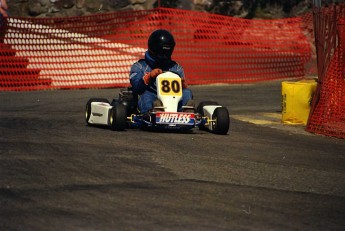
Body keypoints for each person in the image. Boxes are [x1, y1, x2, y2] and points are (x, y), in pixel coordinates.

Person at [129, 29, 193, 114]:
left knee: (187, 92)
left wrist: (183, 86)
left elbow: (183, 89)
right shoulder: (140, 66)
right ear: (153, 48)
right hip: (153, 96)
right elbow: (136, 88)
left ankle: (187, 111)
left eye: (166, 52)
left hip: (173, 98)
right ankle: (152, 112)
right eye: (162, 51)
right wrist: (149, 77)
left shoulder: (176, 68)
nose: (164, 54)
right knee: (146, 95)